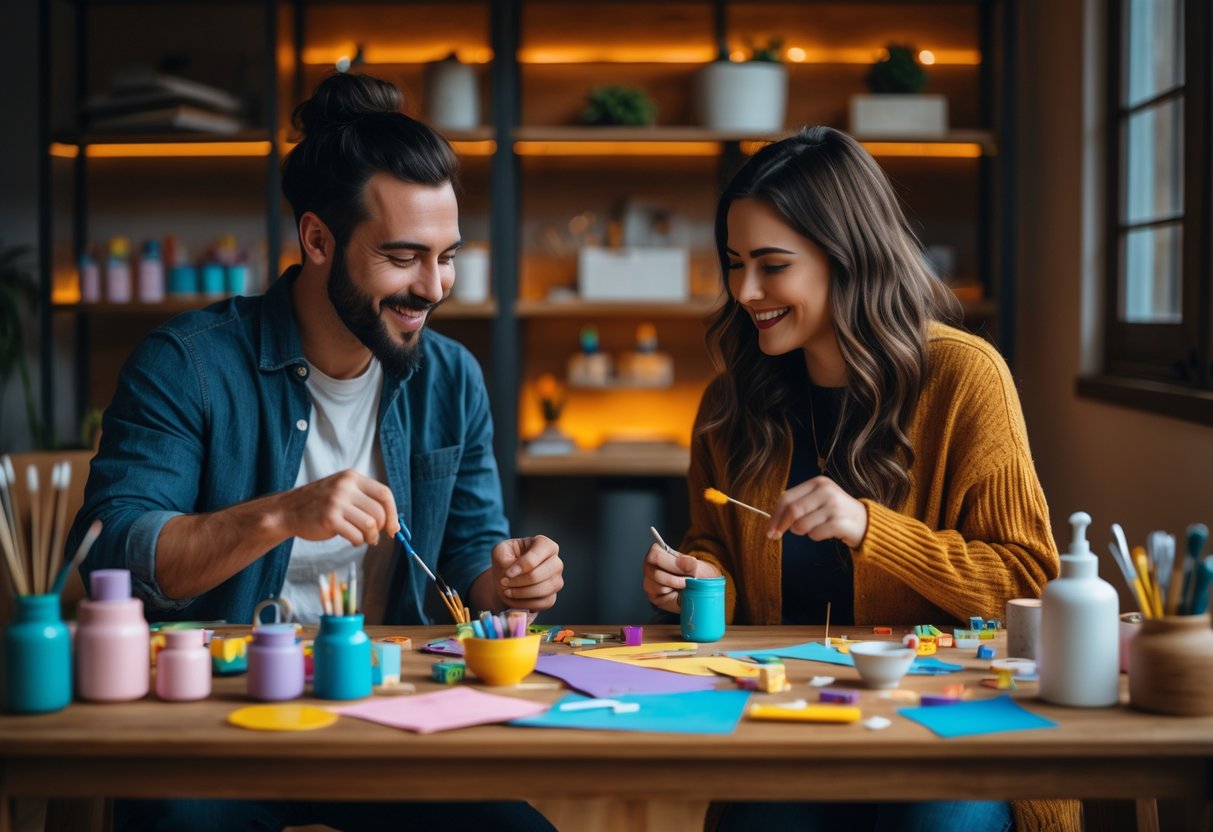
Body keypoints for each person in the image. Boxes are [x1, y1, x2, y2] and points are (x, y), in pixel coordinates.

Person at [66, 72, 561, 832]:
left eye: (447, 255)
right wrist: (281, 514)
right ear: (318, 240)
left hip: (387, 720)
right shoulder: (187, 363)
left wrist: (506, 581)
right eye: (403, 258)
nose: (433, 287)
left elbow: (468, 554)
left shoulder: (451, 377)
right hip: (215, 724)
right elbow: (111, 557)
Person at [641, 126, 1079, 832]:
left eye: (771, 265)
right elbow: (712, 536)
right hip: (790, 724)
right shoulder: (729, 405)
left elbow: (1029, 584)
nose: (744, 290)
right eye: (733, 263)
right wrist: (700, 574)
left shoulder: (965, 378)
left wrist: (870, 529)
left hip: (950, 730)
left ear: (846, 259)